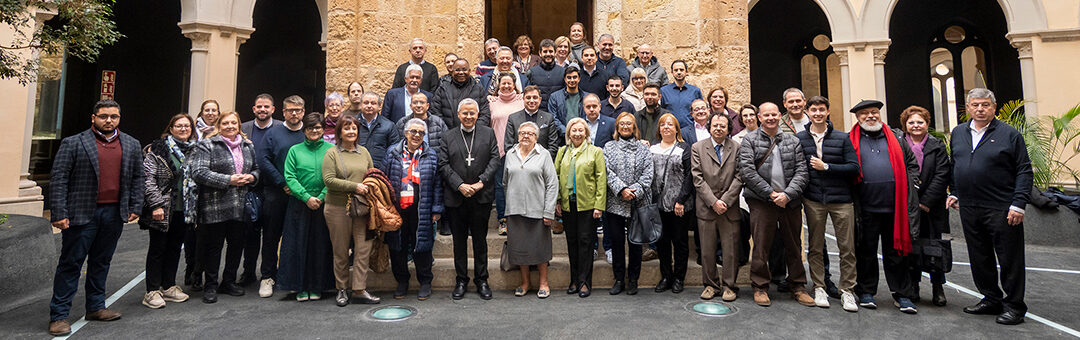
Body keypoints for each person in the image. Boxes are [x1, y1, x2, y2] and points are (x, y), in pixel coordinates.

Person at [48, 100, 144, 336]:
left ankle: (96, 307)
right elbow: (59, 180)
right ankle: (59, 316)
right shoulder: (73, 143)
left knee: (102, 262)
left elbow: (137, 179)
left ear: (119, 118)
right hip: (81, 214)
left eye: (113, 116)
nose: (108, 120)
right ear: (94, 118)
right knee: (71, 264)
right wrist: (59, 213)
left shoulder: (131, 144)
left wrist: (136, 206)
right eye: (103, 116)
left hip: (113, 214)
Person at [947, 88, 1032, 325]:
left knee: (1009, 259)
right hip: (970, 207)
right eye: (975, 105)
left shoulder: (1009, 134)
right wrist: (954, 192)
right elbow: (956, 165)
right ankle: (991, 298)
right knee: (979, 256)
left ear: (994, 107)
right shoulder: (958, 133)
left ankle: (1014, 306)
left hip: (1002, 207)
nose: (980, 109)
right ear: (968, 107)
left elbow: (1024, 170)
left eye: (985, 105)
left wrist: (1018, 204)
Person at [847, 99, 921, 314]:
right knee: (866, 251)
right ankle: (867, 291)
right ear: (858, 118)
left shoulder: (897, 137)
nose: (870, 116)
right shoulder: (850, 140)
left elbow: (911, 165)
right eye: (864, 114)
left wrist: (912, 185)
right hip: (866, 207)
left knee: (896, 253)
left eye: (874, 112)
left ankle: (902, 294)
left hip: (895, 208)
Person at [737, 102, 813, 307]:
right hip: (762, 201)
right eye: (766, 115)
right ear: (759, 117)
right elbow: (747, 171)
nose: (770, 118)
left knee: (793, 244)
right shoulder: (749, 141)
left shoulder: (792, 140)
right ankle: (760, 286)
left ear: (780, 115)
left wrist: (787, 194)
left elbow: (802, 171)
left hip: (790, 201)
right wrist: (771, 193)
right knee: (761, 245)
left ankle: (797, 285)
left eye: (773, 114)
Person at [795, 96, 860, 312]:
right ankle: (820, 286)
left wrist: (828, 167)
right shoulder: (800, 137)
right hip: (813, 198)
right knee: (815, 246)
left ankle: (847, 290)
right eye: (813, 110)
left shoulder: (842, 138)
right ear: (808, 112)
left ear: (828, 112)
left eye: (821, 110)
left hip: (841, 199)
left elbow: (853, 167)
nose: (817, 113)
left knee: (847, 247)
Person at [189, 111, 259, 304]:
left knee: (236, 246)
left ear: (239, 126)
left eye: (234, 123)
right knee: (214, 248)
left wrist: (252, 178)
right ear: (220, 125)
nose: (230, 126)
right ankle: (210, 285)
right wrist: (229, 180)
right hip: (215, 206)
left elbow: (256, 169)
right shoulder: (207, 145)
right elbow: (199, 172)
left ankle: (228, 281)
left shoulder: (247, 145)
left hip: (240, 205)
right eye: (226, 123)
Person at [439, 99, 501, 300]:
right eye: (464, 113)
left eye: (472, 113)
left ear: (477, 114)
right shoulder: (448, 136)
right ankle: (461, 279)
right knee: (459, 242)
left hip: (480, 196)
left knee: (480, 241)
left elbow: (494, 159)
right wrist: (460, 185)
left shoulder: (488, 133)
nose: (468, 117)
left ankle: (482, 279)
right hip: (457, 197)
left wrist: (480, 182)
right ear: (458, 115)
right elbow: (443, 164)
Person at [322, 115, 381, 307]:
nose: (351, 132)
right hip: (338, 208)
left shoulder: (364, 152)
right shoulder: (332, 153)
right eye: (347, 128)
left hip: (362, 208)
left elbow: (372, 175)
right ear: (339, 132)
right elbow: (329, 180)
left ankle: (359, 289)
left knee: (363, 249)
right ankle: (341, 289)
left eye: (354, 129)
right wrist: (355, 187)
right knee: (340, 251)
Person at [381, 118, 443, 300]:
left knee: (422, 246)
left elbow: (437, 184)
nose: (416, 135)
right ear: (406, 133)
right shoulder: (392, 152)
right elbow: (383, 179)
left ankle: (425, 282)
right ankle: (402, 281)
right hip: (397, 208)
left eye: (421, 133)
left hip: (421, 208)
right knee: (397, 246)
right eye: (413, 132)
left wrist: (436, 208)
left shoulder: (431, 154)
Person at [140, 113, 197, 309]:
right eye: (179, 126)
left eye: (187, 126)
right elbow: (148, 179)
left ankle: (168, 286)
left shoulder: (194, 150)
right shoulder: (158, 149)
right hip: (162, 208)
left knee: (174, 248)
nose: (183, 129)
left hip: (184, 209)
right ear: (171, 128)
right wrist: (156, 205)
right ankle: (152, 290)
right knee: (158, 249)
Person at [278, 113, 335, 302]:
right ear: (304, 130)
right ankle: (300, 287)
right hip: (299, 204)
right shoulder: (295, 150)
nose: (314, 131)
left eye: (318, 127)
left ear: (323, 129)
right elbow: (290, 176)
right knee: (297, 246)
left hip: (324, 203)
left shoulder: (331, 149)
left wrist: (320, 197)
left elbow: (335, 176)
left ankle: (318, 286)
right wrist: (306, 197)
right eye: (310, 128)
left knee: (320, 246)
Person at [898, 105, 951, 307]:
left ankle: (938, 288)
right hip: (906, 204)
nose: (916, 125)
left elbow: (941, 175)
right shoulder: (899, 144)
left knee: (933, 247)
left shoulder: (937, 145)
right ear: (905, 125)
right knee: (911, 247)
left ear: (927, 124)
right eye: (911, 122)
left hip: (931, 207)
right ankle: (913, 286)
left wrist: (926, 202)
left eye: (920, 122)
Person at [255, 95, 307, 298]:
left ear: (303, 111)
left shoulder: (307, 133)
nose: (294, 113)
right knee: (271, 236)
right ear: (283, 112)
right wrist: (283, 183)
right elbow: (264, 160)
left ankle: (293, 275)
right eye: (290, 110)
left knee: (296, 236)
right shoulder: (273, 133)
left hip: (301, 194)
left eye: (298, 110)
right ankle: (268, 277)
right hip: (276, 193)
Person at [691, 113, 743, 301]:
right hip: (706, 207)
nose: (718, 128)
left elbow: (740, 176)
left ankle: (730, 286)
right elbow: (697, 178)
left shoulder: (737, 147)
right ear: (709, 127)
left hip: (729, 208)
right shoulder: (697, 147)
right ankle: (710, 285)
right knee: (707, 249)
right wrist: (713, 201)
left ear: (729, 129)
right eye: (715, 125)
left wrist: (726, 201)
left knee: (730, 250)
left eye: (722, 125)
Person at [504, 122, 559, 298]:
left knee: (540, 249)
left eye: (530, 133)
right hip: (515, 209)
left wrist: (548, 211)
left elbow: (552, 184)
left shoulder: (544, 155)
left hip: (538, 209)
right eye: (522, 133)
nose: (525, 136)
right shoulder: (510, 154)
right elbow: (505, 182)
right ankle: (525, 282)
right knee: (520, 249)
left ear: (536, 137)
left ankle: (544, 282)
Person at [554, 117, 606, 298]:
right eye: (573, 130)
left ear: (586, 133)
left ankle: (585, 282)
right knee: (572, 243)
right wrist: (558, 201)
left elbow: (601, 179)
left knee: (586, 243)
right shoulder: (562, 152)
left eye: (580, 130)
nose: (577, 133)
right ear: (568, 133)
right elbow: (556, 176)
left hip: (588, 205)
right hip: (568, 205)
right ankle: (574, 280)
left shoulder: (595, 152)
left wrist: (599, 205)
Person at [604, 112, 654, 295]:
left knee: (635, 243)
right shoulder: (608, 147)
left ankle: (633, 279)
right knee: (617, 243)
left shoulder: (643, 149)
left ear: (634, 127)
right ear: (617, 127)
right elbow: (607, 172)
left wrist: (634, 191)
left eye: (629, 124)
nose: (625, 127)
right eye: (622, 124)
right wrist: (621, 190)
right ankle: (618, 279)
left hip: (637, 202)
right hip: (615, 202)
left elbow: (649, 174)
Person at [649, 113, 694, 294]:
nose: (666, 127)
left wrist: (680, 200)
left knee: (680, 242)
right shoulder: (651, 149)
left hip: (679, 205)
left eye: (670, 124)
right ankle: (666, 276)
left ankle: (678, 278)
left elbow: (690, 176)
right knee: (662, 242)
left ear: (676, 129)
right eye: (663, 125)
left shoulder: (684, 148)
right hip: (658, 204)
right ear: (659, 129)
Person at [488, 73, 525, 235]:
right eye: (503, 83)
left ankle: (518, 219)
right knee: (500, 186)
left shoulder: (522, 100)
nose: (506, 86)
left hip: (519, 150)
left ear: (514, 84)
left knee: (517, 185)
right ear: (498, 85)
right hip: (498, 150)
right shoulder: (492, 102)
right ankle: (503, 220)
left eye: (509, 83)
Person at [431, 58, 493, 128]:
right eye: (457, 70)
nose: (461, 72)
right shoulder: (443, 89)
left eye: (464, 69)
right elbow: (435, 112)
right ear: (452, 71)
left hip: (474, 135)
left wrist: (473, 130)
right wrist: (447, 133)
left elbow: (485, 114)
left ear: (469, 71)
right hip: (448, 135)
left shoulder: (478, 89)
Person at [505, 85, 562, 156]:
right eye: (528, 98)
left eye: (535, 98)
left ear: (540, 99)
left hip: (541, 163)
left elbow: (553, 146)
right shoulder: (513, 118)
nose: (531, 101)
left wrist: (540, 161)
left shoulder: (548, 118)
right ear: (523, 99)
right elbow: (508, 146)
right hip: (518, 163)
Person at [356, 92, 396, 169]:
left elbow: (394, 150)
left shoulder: (389, 125)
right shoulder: (353, 123)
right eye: (366, 103)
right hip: (355, 168)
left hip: (380, 170)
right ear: (361, 105)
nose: (369, 106)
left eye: (373, 103)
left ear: (379, 106)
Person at [660, 60, 702, 128]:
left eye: (681, 70)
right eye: (676, 70)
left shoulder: (695, 91)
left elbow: (701, 111)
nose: (679, 72)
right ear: (672, 72)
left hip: (690, 131)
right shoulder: (664, 91)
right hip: (671, 131)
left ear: (686, 72)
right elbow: (660, 113)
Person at [527, 39, 566, 110]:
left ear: (555, 53)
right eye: (545, 51)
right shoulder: (532, 72)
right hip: (538, 113)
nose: (548, 54)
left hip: (558, 112)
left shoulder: (563, 72)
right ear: (540, 53)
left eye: (551, 51)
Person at [548, 67, 588, 131]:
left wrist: (580, 131)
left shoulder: (587, 97)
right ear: (565, 79)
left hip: (582, 135)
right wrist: (567, 132)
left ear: (579, 79)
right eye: (569, 77)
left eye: (574, 77)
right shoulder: (555, 97)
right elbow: (553, 118)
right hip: (561, 137)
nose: (572, 80)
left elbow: (589, 117)